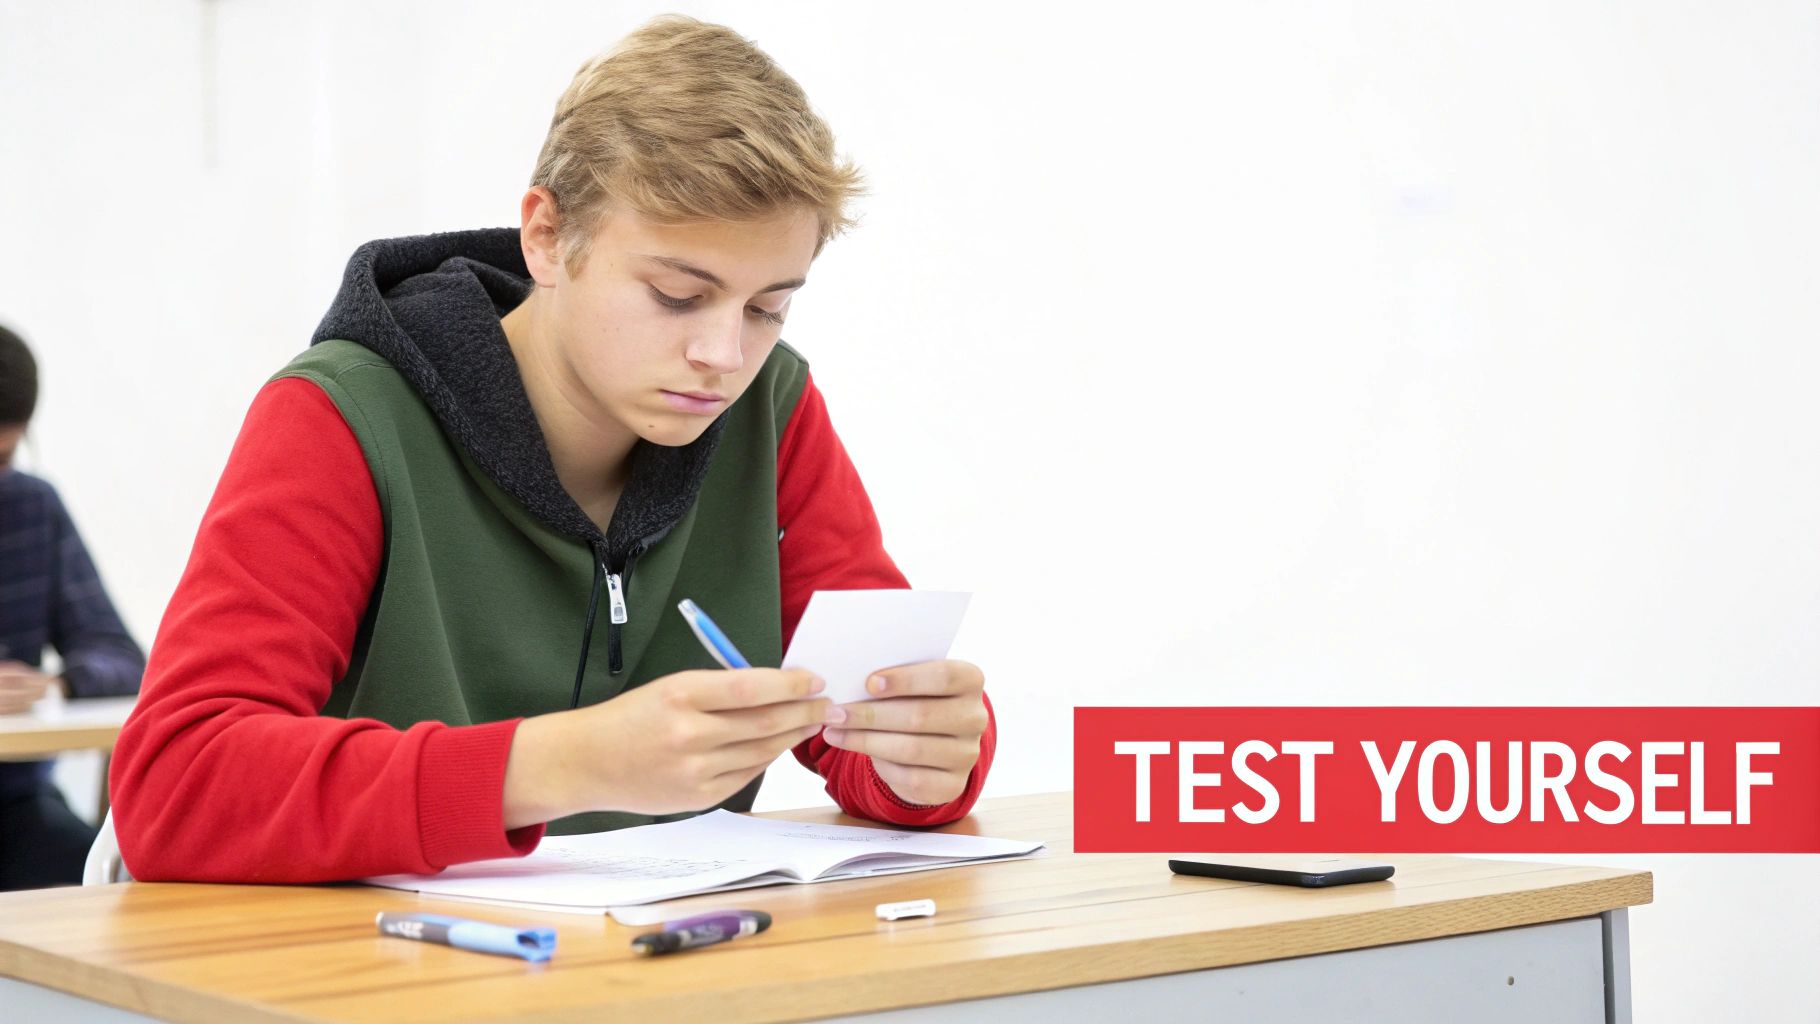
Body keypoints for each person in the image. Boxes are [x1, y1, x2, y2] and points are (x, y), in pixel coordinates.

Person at [111, 15, 996, 882]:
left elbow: (873, 710)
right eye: (678, 295)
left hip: (668, 963)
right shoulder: (344, 412)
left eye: (768, 307)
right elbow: (175, 784)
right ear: (545, 235)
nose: (724, 356)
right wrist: (558, 764)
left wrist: (921, 758)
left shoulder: (773, 406)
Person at [0, 324, 146, 890]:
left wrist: (53, 685)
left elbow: (122, 657)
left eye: (6, 456)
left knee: (119, 896)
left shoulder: (31, 507)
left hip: (15, 805)